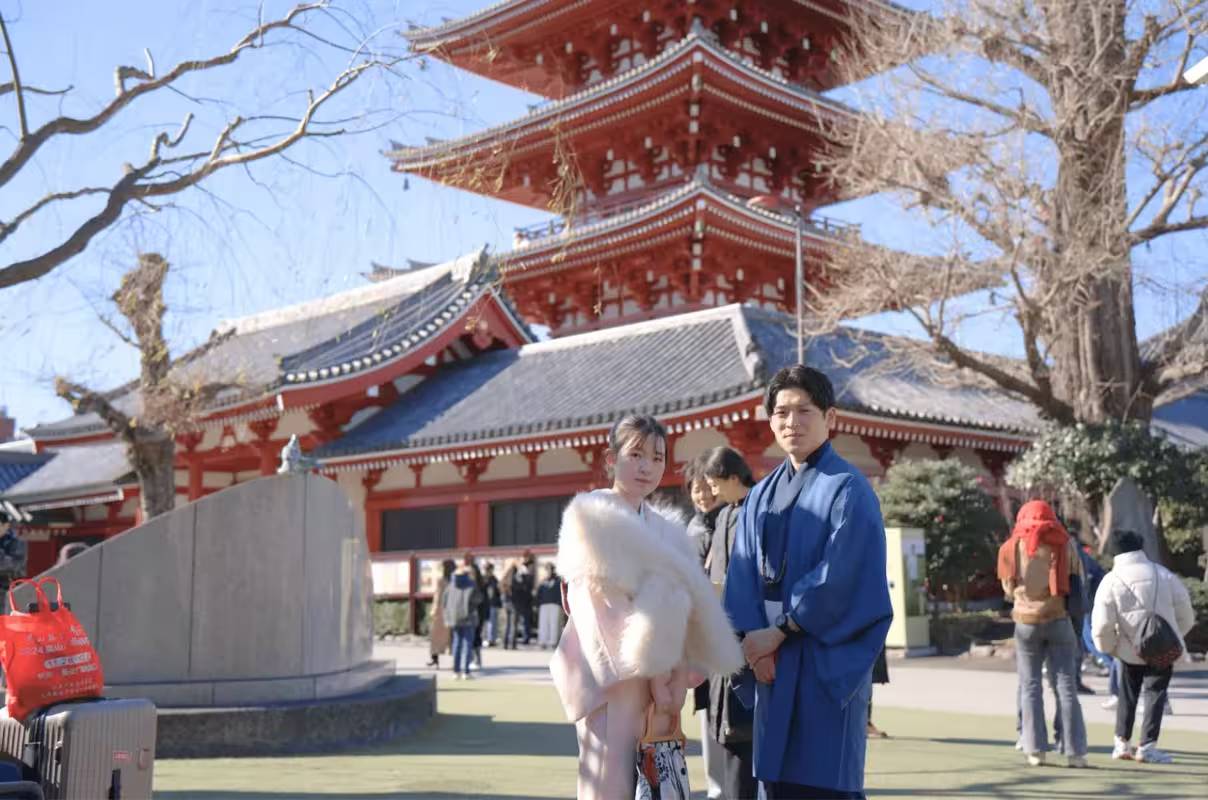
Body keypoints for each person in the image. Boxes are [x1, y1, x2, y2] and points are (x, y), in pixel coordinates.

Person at [550, 414, 743, 800]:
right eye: (635, 454)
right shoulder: (590, 518)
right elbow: (593, 605)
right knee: (610, 781)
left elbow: (690, 601)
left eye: (656, 458)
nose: (646, 467)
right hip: (615, 680)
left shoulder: (666, 530)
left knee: (654, 781)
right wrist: (657, 654)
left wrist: (675, 666)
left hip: (663, 682)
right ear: (610, 459)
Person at [724, 366, 893, 799]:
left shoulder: (849, 489)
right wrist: (751, 642)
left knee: (822, 779)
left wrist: (780, 633)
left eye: (804, 410)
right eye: (781, 412)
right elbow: (742, 573)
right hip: (770, 663)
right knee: (775, 783)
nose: (791, 422)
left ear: (830, 417)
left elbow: (843, 575)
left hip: (819, 657)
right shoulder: (760, 494)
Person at [998, 499, 1089, 768]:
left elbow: (1006, 588)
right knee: (1066, 686)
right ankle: (1075, 753)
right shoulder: (1065, 543)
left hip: (1026, 623)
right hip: (1059, 619)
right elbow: (1077, 580)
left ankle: (1035, 750)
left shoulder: (1011, 546)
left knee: (1030, 686)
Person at [1092, 529, 1195, 764]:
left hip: (1129, 649)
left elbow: (1101, 625)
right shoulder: (1163, 574)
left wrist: (1110, 648)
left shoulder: (1111, 580)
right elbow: (1186, 613)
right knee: (1156, 695)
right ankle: (1147, 746)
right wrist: (1172, 636)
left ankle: (1121, 743)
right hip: (1162, 649)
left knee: (1127, 694)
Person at [701, 445, 759, 800]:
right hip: (720, 636)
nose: (712, 492)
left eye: (716, 484)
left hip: (749, 638)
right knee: (724, 733)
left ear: (735, 478)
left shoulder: (760, 510)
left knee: (744, 736)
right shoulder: (723, 515)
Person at [684, 455, 726, 800]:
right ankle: (716, 787)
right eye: (696, 489)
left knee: (733, 710)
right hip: (699, 633)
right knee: (708, 709)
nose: (702, 496)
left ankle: (736, 786)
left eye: (708, 488)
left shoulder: (733, 520)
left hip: (727, 629)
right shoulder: (691, 528)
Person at [443, 554, 483, 680]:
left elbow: (444, 601)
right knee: (467, 644)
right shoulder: (471, 584)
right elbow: (478, 599)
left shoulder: (450, 585)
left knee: (456, 644)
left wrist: (448, 615)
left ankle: (456, 671)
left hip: (454, 618)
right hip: (468, 617)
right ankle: (466, 671)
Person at [427, 559, 455, 668]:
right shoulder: (454, 580)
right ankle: (454, 662)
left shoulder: (442, 581)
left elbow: (437, 597)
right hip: (452, 611)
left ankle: (435, 659)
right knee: (451, 638)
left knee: (436, 637)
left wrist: (433, 610)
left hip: (441, 612)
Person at [536, 562, 564, 649]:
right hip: (544, 605)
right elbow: (539, 594)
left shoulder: (558, 581)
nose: (549, 571)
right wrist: (537, 604)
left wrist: (561, 604)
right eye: (547, 569)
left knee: (554, 623)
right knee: (543, 623)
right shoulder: (543, 582)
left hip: (555, 604)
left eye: (550, 569)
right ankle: (543, 641)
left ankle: (553, 642)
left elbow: (561, 593)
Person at [511, 550, 536, 645]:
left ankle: (526, 638)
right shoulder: (518, 568)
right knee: (518, 619)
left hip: (526, 597)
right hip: (518, 597)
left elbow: (530, 582)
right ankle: (517, 637)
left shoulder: (530, 567)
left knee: (526, 619)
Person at [500, 559, 520, 650]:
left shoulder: (504, 578)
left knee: (506, 624)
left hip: (505, 602)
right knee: (513, 624)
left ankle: (504, 643)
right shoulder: (516, 576)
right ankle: (512, 644)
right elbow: (520, 588)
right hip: (514, 602)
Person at [483, 562, 502, 646]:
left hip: (492, 603)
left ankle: (492, 639)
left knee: (493, 623)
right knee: (490, 622)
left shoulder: (491, 579)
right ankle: (490, 639)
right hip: (489, 604)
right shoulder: (489, 579)